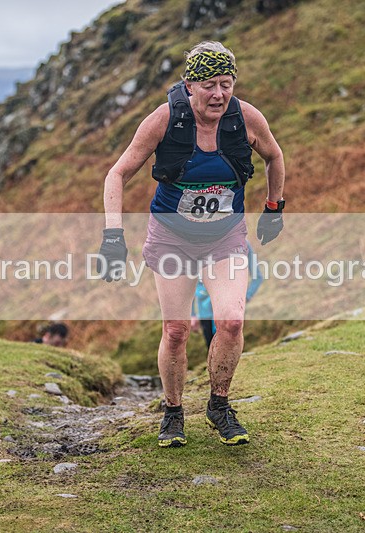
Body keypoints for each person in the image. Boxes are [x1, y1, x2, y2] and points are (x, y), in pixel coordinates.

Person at [99, 41, 285, 447]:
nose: (218, 94)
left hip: (225, 237)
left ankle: (219, 406)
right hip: (172, 238)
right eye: (208, 85)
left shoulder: (246, 118)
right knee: (178, 329)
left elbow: (274, 156)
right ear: (189, 85)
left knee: (232, 321)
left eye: (226, 84)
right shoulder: (164, 120)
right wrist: (113, 235)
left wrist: (274, 207)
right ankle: (173, 410)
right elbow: (117, 174)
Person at [191, 241, 263, 350]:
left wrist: (245, 297)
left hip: (230, 309)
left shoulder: (242, 244)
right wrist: (192, 314)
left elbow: (257, 277)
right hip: (205, 312)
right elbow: (190, 283)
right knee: (212, 350)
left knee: (230, 349)